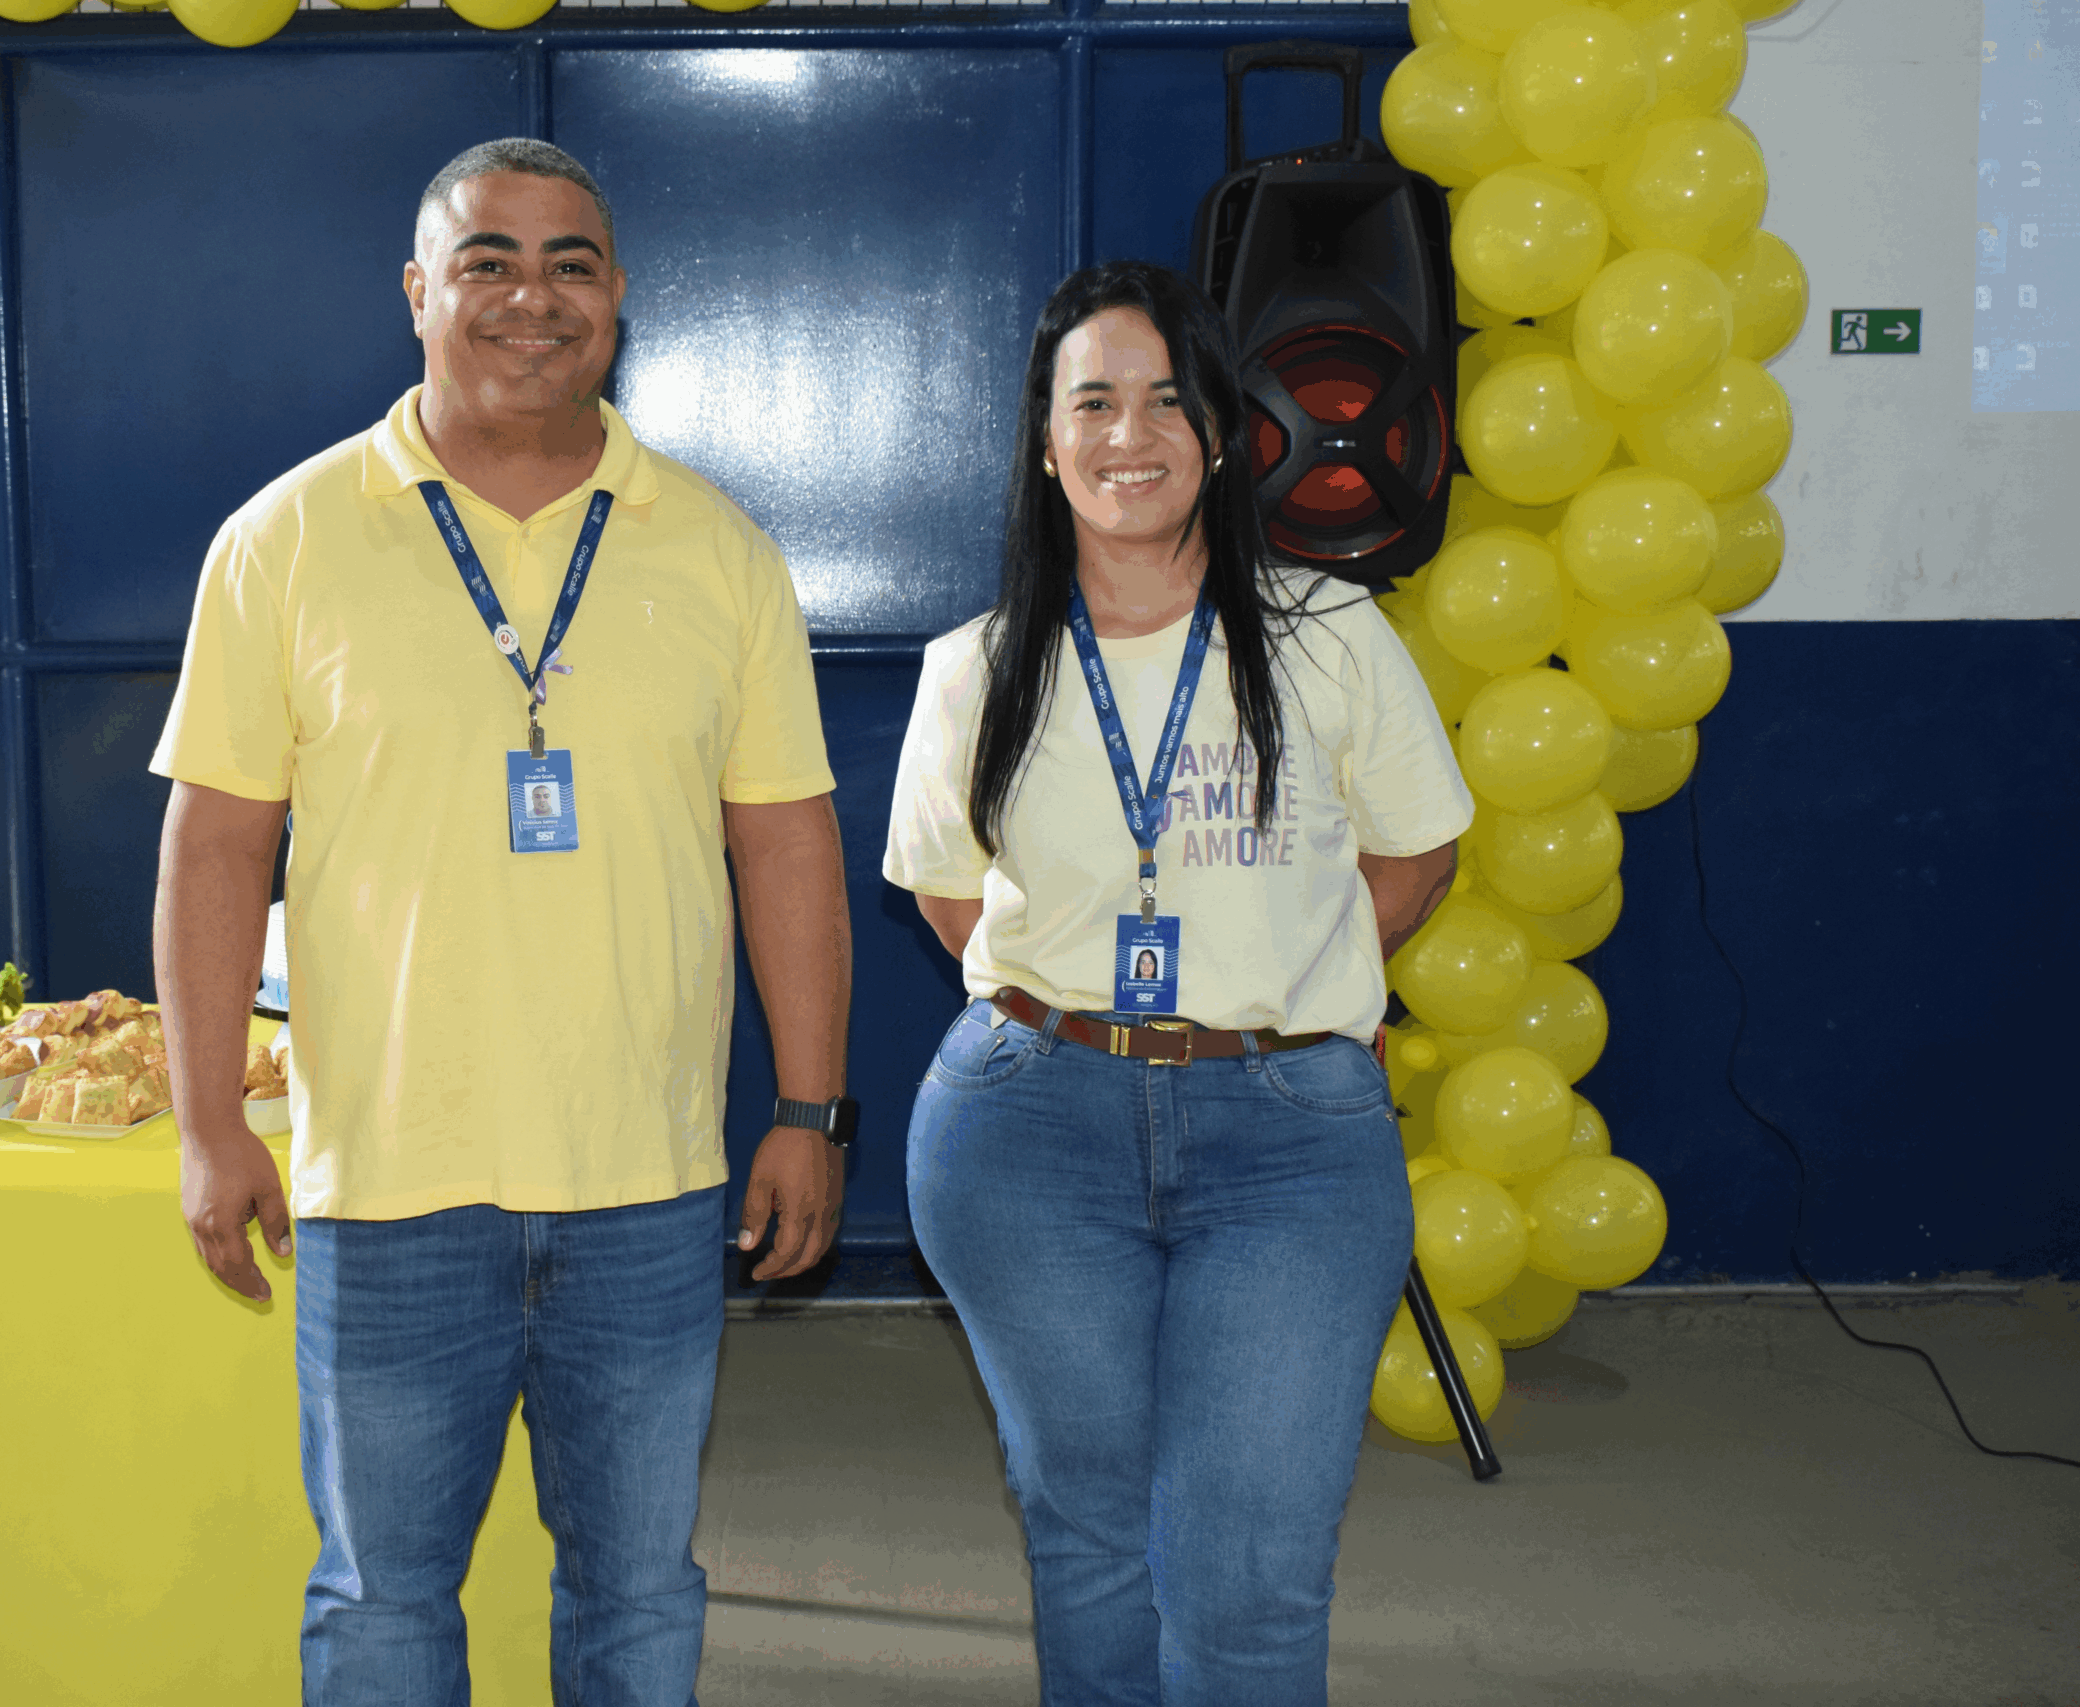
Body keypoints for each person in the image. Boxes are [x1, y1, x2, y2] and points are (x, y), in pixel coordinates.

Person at [150, 138, 854, 1705]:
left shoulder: (719, 547)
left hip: (646, 1182)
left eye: (569, 264)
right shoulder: (287, 538)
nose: (532, 296)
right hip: (388, 1185)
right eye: (488, 261)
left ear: (617, 298)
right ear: (419, 292)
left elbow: (787, 843)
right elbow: (215, 848)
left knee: (637, 1593)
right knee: (384, 1601)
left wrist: (811, 1109)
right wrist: (205, 1122)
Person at [883, 261, 1469, 1706]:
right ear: (1046, 442)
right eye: (1091, 401)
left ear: (1217, 427)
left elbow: (1417, 853)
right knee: (1084, 1531)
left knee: (1246, 1567)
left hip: (1290, 1141)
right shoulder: (976, 667)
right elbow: (952, 897)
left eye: (1164, 398)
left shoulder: (1330, 632)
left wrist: (1281, 978)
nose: (1128, 434)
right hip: (1029, 1130)